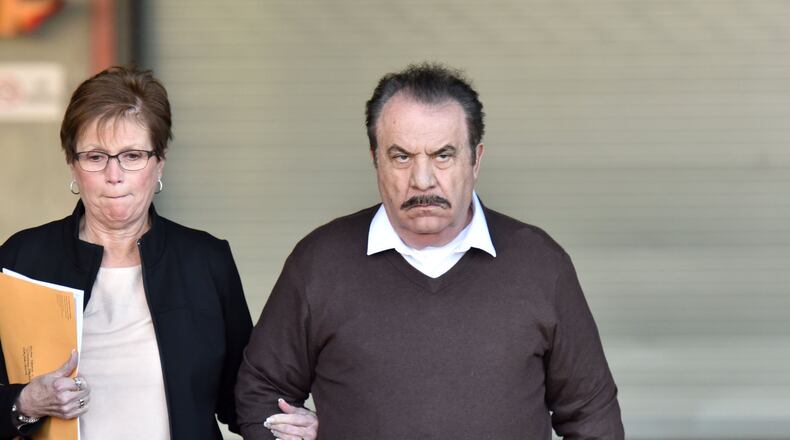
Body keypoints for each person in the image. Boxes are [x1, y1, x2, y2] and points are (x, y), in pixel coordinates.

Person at [236, 63, 625, 439]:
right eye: (401, 157)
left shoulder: (540, 264)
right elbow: (261, 392)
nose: (422, 180)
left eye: (443, 155)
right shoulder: (319, 263)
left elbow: (593, 416)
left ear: (476, 160)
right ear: (375, 160)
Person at [0, 66, 317, 440]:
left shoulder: (205, 261)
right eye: (95, 156)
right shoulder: (22, 259)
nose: (114, 175)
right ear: (72, 162)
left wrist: (294, 424)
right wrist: (23, 404)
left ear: (160, 160)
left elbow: (242, 396)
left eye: (132, 156)